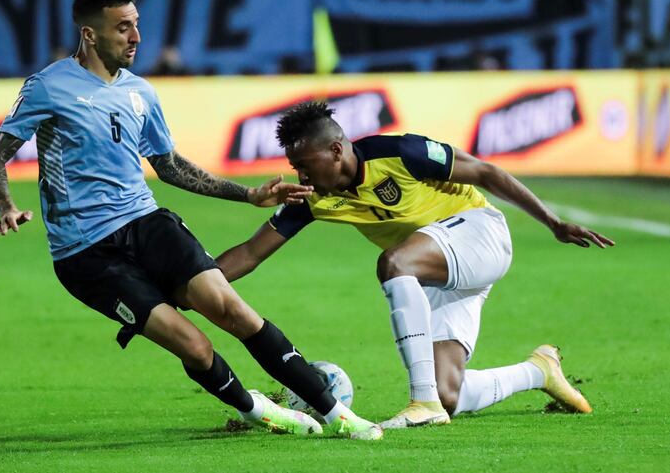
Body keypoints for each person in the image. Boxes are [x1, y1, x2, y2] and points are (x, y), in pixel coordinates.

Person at [0, 0, 382, 440]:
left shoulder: (140, 93)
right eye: (123, 27)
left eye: (136, 25)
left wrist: (248, 195)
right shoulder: (48, 87)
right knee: (194, 345)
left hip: (147, 223)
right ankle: (255, 410)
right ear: (90, 34)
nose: (136, 37)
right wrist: (6, 205)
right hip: (85, 252)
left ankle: (339, 417)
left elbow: (169, 167)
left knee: (234, 311)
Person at [216, 101, 615, 429]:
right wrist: (190, 283)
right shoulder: (311, 197)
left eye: (305, 162)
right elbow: (251, 253)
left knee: (393, 262)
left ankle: (421, 403)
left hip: (480, 235)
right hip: (435, 274)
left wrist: (553, 223)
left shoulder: (401, 153)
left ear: (336, 150)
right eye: (293, 164)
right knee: (450, 393)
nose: (299, 173)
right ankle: (538, 371)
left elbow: (486, 172)